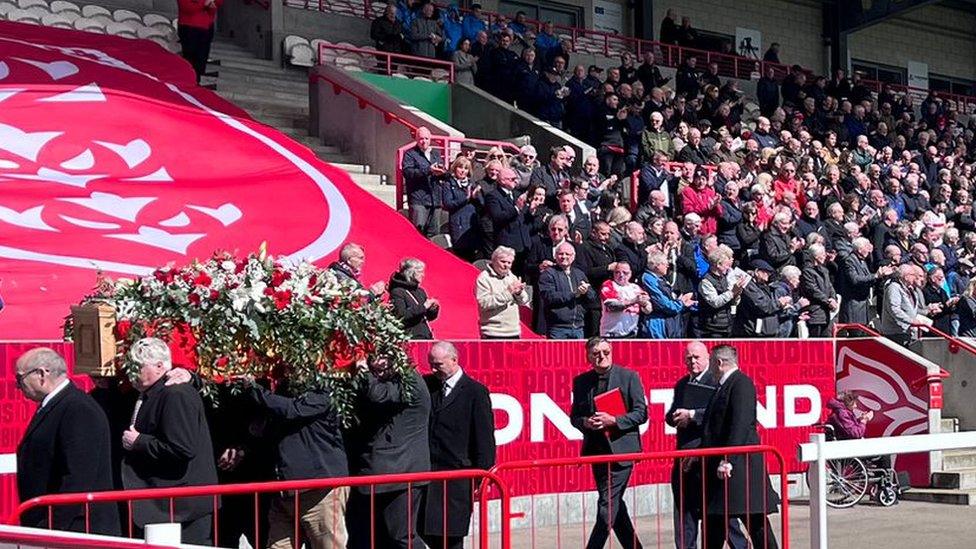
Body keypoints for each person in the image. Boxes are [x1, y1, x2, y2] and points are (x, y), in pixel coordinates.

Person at [122, 338, 219, 545]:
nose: (132, 373)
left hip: (181, 506)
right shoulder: (149, 393)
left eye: (138, 367)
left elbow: (182, 448)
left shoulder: (175, 393)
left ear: (159, 366)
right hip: (163, 506)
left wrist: (139, 442)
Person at [14, 348, 119, 535]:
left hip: (76, 528)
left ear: (41, 374)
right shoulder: (59, 405)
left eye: (20, 378)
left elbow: (78, 477)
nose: (18, 386)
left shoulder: (78, 409)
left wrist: (52, 527)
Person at [251, 378, 349, 549]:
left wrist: (252, 387)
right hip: (284, 493)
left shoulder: (323, 388)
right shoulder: (280, 388)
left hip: (319, 491)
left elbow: (293, 409)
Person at [346, 354, 431, 549]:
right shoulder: (392, 378)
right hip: (384, 471)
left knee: (402, 535)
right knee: (377, 536)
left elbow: (378, 395)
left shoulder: (409, 380)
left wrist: (362, 370)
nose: (375, 368)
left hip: (401, 472)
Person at [570, 337, 647, 549]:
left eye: (605, 352)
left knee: (606, 506)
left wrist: (614, 420)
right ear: (588, 357)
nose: (601, 357)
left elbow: (641, 413)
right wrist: (586, 422)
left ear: (611, 351)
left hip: (622, 452)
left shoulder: (628, 377)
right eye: (596, 354)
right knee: (614, 505)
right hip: (597, 451)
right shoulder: (581, 382)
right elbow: (575, 416)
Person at [700, 345, 780, 549]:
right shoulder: (724, 386)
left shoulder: (741, 384)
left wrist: (728, 459)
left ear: (718, 363)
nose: (709, 368)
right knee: (715, 523)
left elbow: (740, 424)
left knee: (756, 524)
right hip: (727, 468)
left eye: (710, 362)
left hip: (740, 469)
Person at [420, 342, 497, 549]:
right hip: (427, 476)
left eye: (438, 364)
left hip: (457, 479)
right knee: (425, 533)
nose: (433, 369)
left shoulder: (475, 392)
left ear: (454, 360)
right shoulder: (426, 385)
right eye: (431, 364)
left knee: (451, 539)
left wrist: (482, 477)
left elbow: (485, 440)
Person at [538, 242, 594, 339]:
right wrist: (574, 294)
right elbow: (549, 297)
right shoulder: (548, 274)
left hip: (578, 327)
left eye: (567, 254)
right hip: (557, 328)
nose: (564, 257)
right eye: (560, 254)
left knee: (578, 354)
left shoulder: (579, 274)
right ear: (555, 256)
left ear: (573, 256)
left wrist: (586, 291)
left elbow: (592, 296)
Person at [475, 246, 530, 339]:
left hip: (513, 331)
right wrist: (508, 293)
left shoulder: (512, 276)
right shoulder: (484, 278)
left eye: (509, 263)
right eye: (503, 261)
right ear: (494, 260)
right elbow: (484, 303)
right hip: (492, 332)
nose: (506, 265)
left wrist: (519, 293)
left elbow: (524, 301)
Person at [402, 127, 446, 237]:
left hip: (435, 199)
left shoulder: (436, 154)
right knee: (418, 233)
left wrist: (442, 172)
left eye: (426, 138)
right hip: (419, 200)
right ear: (416, 139)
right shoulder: (410, 154)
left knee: (434, 234)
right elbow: (408, 173)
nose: (424, 141)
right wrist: (428, 170)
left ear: (430, 139)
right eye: (421, 138)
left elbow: (443, 172)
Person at [838, 238, 893, 324]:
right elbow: (855, 280)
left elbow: (868, 279)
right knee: (856, 333)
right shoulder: (849, 260)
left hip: (863, 305)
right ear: (860, 249)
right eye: (867, 247)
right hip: (854, 306)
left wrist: (881, 275)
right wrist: (875, 275)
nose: (869, 250)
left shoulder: (863, 261)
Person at [697, 245, 747, 338]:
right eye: (726, 265)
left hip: (727, 324)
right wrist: (732, 292)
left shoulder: (724, 278)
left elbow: (732, 302)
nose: (728, 268)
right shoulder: (705, 282)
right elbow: (715, 302)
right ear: (718, 265)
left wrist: (737, 294)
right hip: (713, 328)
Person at [880, 264, 934, 347]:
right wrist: (911, 321)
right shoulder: (894, 287)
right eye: (913, 275)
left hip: (908, 332)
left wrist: (928, 310)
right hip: (896, 333)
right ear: (905, 276)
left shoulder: (912, 290)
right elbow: (894, 309)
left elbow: (912, 310)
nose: (915, 277)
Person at [441, 156, 482, 261]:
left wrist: (477, 196)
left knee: (472, 256)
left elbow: (481, 204)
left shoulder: (472, 184)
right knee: (459, 255)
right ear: (455, 168)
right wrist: (466, 198)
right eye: (460, 167)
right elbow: (448, 204)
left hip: (471, 225)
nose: (463, 171)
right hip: (458, 224)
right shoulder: (448, 184)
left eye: (465, 168)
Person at [389, 258, 439, 339]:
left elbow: (428, 317)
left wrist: (433, 309)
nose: (423, 275)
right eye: (420, 272)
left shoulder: (420, 291)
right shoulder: (397, 292)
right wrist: (424, 306)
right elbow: (401, 316)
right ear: (411, 273)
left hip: (426, 335)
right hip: (411, 337)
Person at [599, 261, 652, 338]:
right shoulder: (608, 285)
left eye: (625, 273)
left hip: (631, 334)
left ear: (630, 273)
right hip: (611, 334)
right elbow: (612, 307)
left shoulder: (636, 288)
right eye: (617, 272)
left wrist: (644, 303)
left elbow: (648, 310)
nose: (621, 275)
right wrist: (634, 301)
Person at [177, 0, 221, 83]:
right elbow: (186, 7)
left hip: (206, 26)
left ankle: (198, 82)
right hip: (189, 26)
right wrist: (203, 4)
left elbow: (216, 5)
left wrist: (212, 5)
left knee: (202, 58)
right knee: (190, 58)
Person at [801, 243, 838, 337]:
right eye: (822, 253)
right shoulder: (807, 271)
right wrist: (828, 301)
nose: (825, 255)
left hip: (825, 312)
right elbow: (813, 290)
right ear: (815, 256)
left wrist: (833, 299)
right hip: (815, 312)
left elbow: (830, 287)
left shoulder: (824, 270)